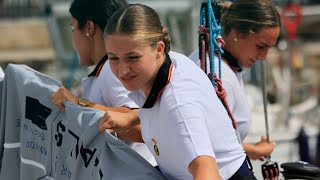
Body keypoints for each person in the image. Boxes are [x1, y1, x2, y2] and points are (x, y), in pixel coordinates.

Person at [101, 4, 256, 180]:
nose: (122, 70)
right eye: (113, 58)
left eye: (133, 57)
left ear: (159, 49)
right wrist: (132, 118)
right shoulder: (171, 62)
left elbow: (205, 168)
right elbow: (160, 109)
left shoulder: (179, 102)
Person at [50, 0, 157, 167]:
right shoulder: (108, 69)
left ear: (89, 28)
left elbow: (141, 128)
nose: (73, 37)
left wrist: (79, 104)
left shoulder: (111, 69)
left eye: (73, 28)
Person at [189, 0, 280, 161]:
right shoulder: (219, 75)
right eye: (261, 46)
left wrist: (249, 150)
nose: (264, 57)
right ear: (238, 33)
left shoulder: (212, 61)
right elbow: (206, 143)